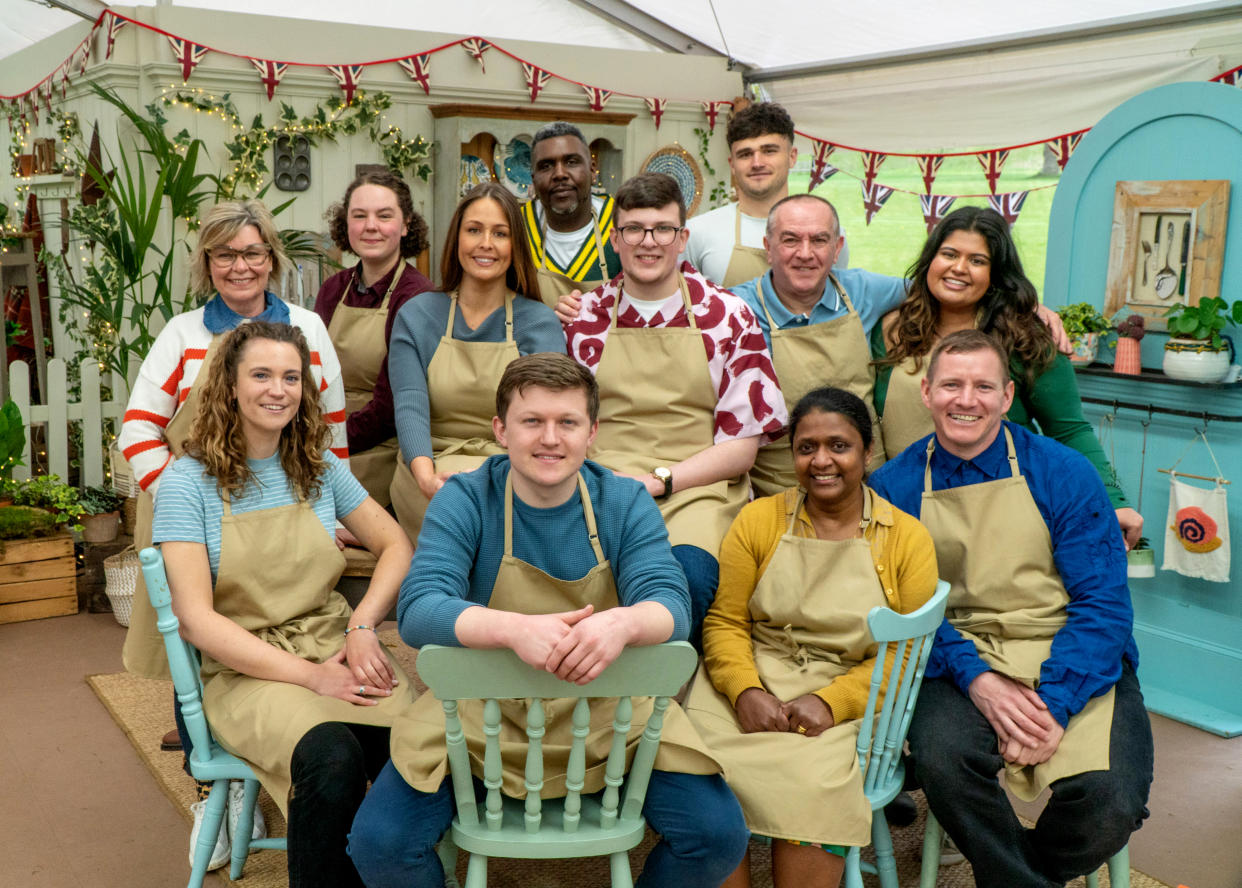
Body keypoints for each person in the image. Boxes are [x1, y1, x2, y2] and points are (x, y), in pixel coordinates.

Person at [349, 353, 749, 888]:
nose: (550, 439)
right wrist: (514, 629)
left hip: (611, 720)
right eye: (532, 421)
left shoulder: (624, 500)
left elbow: (671, 603)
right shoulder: (465, 498)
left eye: (568, 423)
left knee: (718, 837)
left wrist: (622, 625)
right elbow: (420, 607)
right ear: (500, 430)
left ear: (592, 433)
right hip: (479, 721)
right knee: (379, 846)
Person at [869, 330, 1154, 888]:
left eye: (982, 386)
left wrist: (1055, 703)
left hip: (1071, 647)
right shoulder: (892, 488)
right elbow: (910, 606)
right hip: (955, 653)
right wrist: (978, 679)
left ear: (1006, 397)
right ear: (926, 393)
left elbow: (1102, 603)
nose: (965, 400)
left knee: (1112, 800)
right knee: (945, 764)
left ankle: (1015, 875)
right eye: (951, 384)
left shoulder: (1064, 472)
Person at [154, 321, 415, 887]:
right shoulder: (186, 483)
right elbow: (197, 621)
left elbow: (396, 544)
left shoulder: (319, 468)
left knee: (422, 744)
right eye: (262, 375)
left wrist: (364, 627)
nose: (279, 389)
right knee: (332, 757)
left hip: (332, 644)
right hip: (246, 669)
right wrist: (310, 678)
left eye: (291, 377)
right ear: (228, 387)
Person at [119, 198, 348, 754]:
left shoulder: (309, 328)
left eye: (251, 252)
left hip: (284, 510)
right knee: (192, 639)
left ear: (272, 257)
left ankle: (289, 731)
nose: (239, 266)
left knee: (291, 619)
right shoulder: (182, 334)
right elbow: (137, 432)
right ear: (206, 262)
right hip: (192, 511)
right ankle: (207, 767)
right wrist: (189, 499)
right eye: (224, 254)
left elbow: (332, 432)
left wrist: (334, 509)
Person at [686, 387, 937, 888]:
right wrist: (743, 689)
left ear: (867, 454)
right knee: (696, 763)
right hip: (755, 675)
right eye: (806, 448)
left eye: (839, 446)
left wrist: (832, 700)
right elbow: (725, 621)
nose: (822, 461)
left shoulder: (906, 538)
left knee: (809, 782)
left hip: (847, 700)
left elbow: (906, 654)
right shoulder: (758, 520)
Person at [560, 172, 787, 644]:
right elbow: (560, 426)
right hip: (600, 486)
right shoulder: (585, 318)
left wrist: (657, 482)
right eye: (634, 229)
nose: (649, 241)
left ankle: (658, 702)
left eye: (662, 228)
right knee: (574, 583)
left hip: (696, 492)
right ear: (615, 239)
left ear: (682, 238)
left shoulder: (727, 316)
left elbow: (742, 447)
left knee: (687, 581)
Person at [872, 205, 1142, 546]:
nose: (959, 268)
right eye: (949, 254)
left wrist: (1113, 502)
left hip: (1001, 513)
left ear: (996, 274)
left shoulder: (1025, 336)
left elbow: (1069, 428)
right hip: (905, 506)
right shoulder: (890, 330)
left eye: (977, 260)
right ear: (930, 260)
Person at [387, 181, 564, 545]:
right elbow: (409, 406)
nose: (486, 243)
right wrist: (425, 476)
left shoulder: (539, 322)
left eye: (500, 233)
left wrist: (499, 474)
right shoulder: (417, 316)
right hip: (428, 467)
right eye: (474, 230)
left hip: (513, 469)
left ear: (515, 246)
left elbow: (544, 419)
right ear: (456, 240)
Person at [731, 194, 907, 493]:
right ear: (768, 248)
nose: (805, 253)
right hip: (781, 489)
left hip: (868, 486)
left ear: (837, 249)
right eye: (790, 240)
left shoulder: (863, 291)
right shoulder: (735, 309)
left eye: (819, 240)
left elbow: (937, 288)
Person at [315, 170, 434, 507]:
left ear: (406, 224)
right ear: (345, 223)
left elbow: (389, 409)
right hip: (324, 438)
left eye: (384, 216)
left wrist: (324, 441)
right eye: (359, 216)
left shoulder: (417, 297)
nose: (371, 226)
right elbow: (311, 376)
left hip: (378, 450)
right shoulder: (334, 288)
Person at [682, 102, 848, 288]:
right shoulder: (697, 233)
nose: (757, 163)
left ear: (792, 157)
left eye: (769, 151)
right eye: (745, 154)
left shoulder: (826, 231)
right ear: (732, 164)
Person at [520, 121, 622, 307]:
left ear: (592, 170)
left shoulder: (623, 222)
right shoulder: (515, 226)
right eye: (546, 166)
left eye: (571, 162)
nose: (560, 174)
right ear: (533, 179)